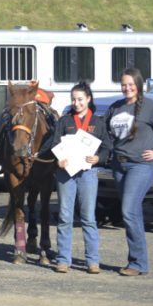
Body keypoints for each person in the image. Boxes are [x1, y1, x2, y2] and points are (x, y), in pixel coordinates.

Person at [105, 68, 153, 276]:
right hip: (119, 166)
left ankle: (138, 264)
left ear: (138, 85)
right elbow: (106, 135)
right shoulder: (115, 107)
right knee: (132, 211)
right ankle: (137, 262)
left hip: (141, 166)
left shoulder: (151, 107)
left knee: (129, 210)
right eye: (123, 84)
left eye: (131, 84)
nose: (127, 88)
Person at [51, 81, 111, 274]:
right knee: (65, 216)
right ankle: (63, 260)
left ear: (88, 99)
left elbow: (107, 147)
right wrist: (59, 159)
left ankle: (93, 261)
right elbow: (55, 144)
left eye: (80, 99)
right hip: (66, 174)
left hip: (87, 173)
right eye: (73, 99)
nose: (76, 103)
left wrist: (98, 158)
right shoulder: (65, 121)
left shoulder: (98, 122)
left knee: (88, 218)